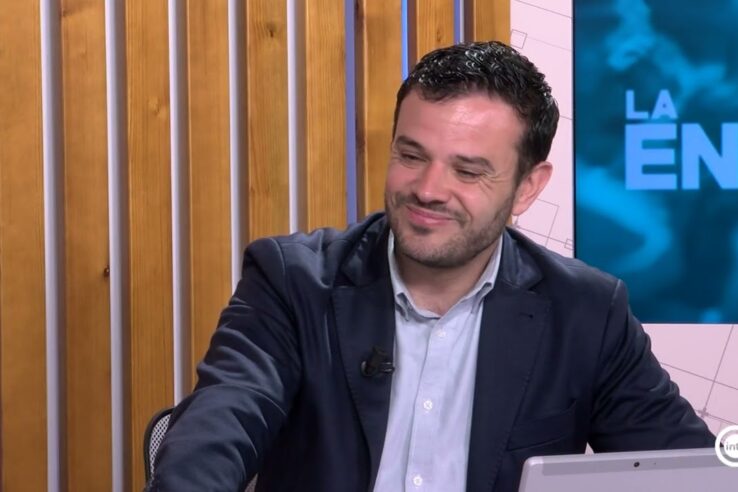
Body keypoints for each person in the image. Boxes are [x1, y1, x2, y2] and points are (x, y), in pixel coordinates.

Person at [147, 41, 714, 492]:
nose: (428, 190)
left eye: (468, 171)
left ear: (527, 187)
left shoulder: (586, 313)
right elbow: (217, 429)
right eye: (411, 155)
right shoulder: (291, 281)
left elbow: (688, 471)